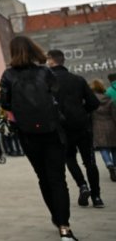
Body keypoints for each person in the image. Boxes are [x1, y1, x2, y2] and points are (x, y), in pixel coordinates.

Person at [0, 36, 76, 240]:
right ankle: (64, 226)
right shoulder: (45, 72)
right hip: (52, 130)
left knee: (43, 177)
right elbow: (57, 96)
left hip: (27, 133)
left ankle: (56, 216)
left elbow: (5, 104)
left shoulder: (8, 75)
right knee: (58, 179)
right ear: (34, 50)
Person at [46, 49, 102, 208]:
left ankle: (82, 185)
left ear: (51, 61)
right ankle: (97, 197)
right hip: (82, 126)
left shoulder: (48, 83)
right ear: (63, 61)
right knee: (90, 161)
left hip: (62, 129)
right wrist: (81, 111)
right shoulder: (78, 79)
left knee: (70, 158)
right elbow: (94, 103)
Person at [89, 79, 116, 183]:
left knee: (103, 148)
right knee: (114, 148)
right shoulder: (109, 99)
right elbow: (114, 115)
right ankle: (115, 165)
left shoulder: (91, 101)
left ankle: (109, 163)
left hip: (98, 126)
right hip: (111, 126)